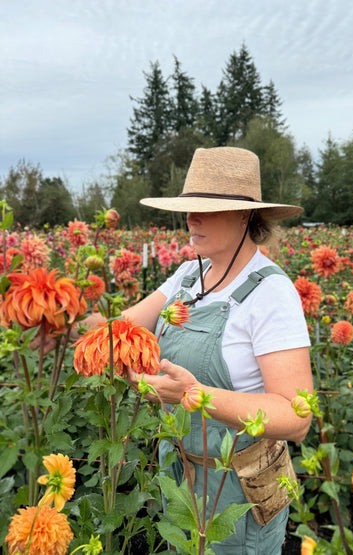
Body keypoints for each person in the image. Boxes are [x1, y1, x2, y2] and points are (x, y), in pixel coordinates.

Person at [118, 146, 313, 554]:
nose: (191, 218)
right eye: (189, 207)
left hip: (239, 490)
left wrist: (195, 396)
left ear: (246, 216)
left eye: (205, 207)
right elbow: (121, 326)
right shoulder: (190, 274)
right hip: (183, 476)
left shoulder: (271, 293)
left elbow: (296, 417)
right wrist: (59, 322)